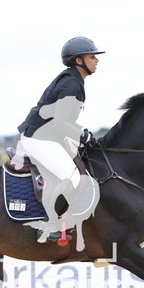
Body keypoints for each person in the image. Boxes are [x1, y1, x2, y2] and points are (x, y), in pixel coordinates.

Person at [15, 36, 104, 243]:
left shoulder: (74, 80)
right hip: (39, 138)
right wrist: (83, 135)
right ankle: (49, 224)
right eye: (92, 57)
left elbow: (62, 122)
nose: (97, 60)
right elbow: (60, 123)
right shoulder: (71, 84)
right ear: (79, 60)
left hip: (49, 136)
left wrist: (84, 133)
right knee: (71, 178)